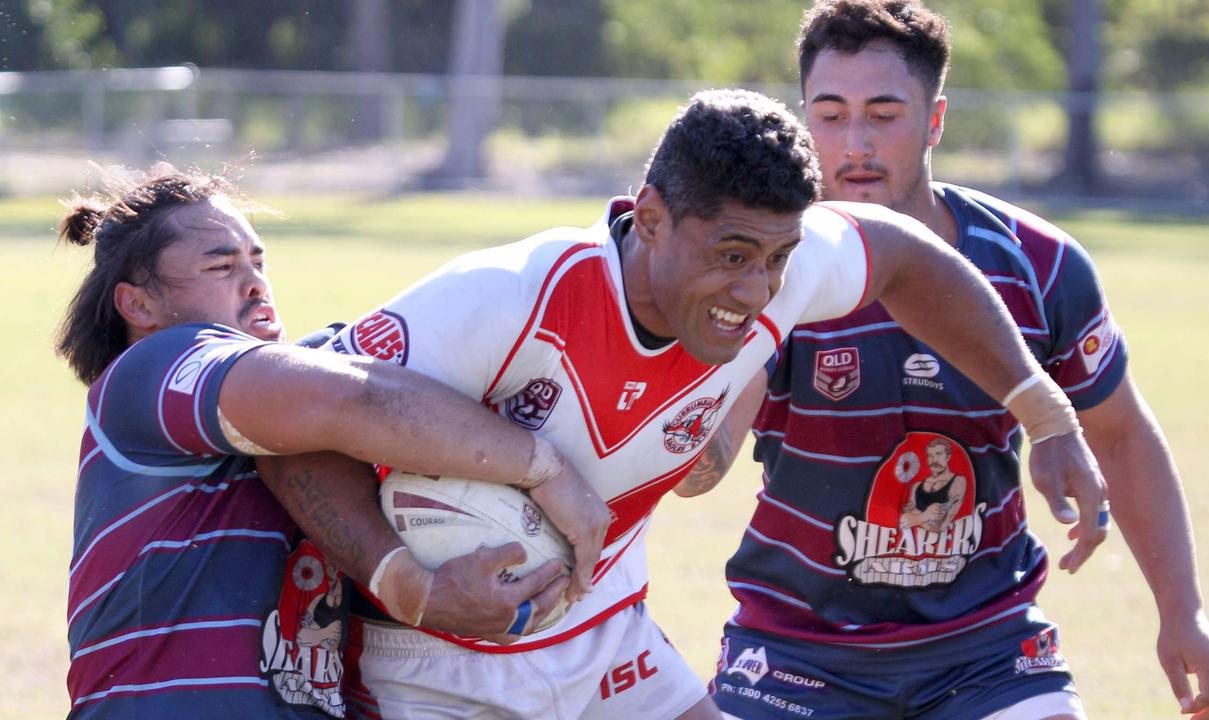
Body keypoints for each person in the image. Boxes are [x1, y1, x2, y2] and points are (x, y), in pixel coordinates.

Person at [264, 87, 1108, 720]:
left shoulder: (782, 268)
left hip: (607, 643)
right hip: (428, 665)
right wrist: (409, 584)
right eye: (733, 254)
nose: (756, 291)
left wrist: (1042, 410)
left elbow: (904, 256)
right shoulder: (505, 297)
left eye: (776, 259)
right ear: (654, 217)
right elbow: (288, 428)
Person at [699, 3, 1209, 719]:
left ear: (936, 121)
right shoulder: (769, 266)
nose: (854, 142)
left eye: (884, 114)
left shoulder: (1038, 265)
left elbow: (1121, 432)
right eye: (829, 115)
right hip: (795, 655)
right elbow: (712, 443)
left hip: (988, 654)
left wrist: (1183, 611)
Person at [56, 168, 610, 719]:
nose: (254, 283)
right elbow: (350, 400)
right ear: (139, 306)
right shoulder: (152, 370)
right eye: (221, 266)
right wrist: (544, 468)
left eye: (259, 261)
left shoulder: (303, 382)